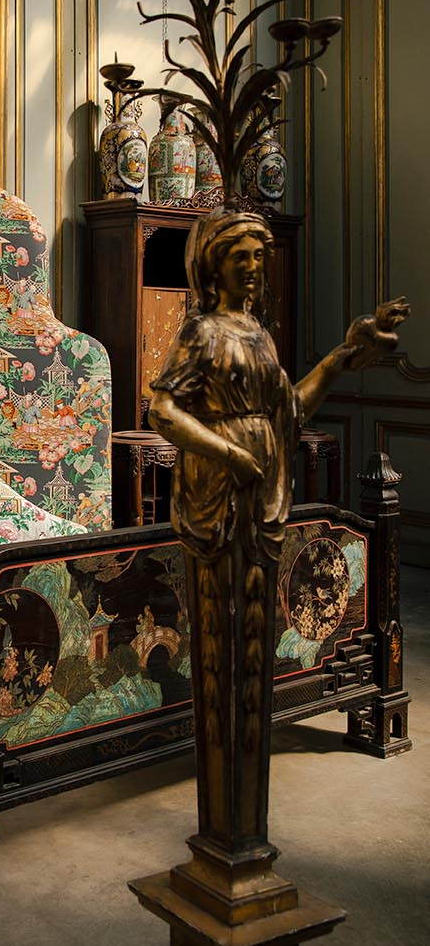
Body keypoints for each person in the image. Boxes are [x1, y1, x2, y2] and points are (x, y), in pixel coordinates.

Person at [148, 207, 407, 855]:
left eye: (259, 257)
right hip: (218, 495)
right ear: (213, 264)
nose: (254, 267)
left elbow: (289, 411)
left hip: (263, 494)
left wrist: (343, 356)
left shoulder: (258, 334)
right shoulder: (202, 332)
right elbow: (162, 409)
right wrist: (227, 452)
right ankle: (224, 834)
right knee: (220, 641)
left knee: (254, 640)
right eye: (240, 256)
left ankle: (245, 835)